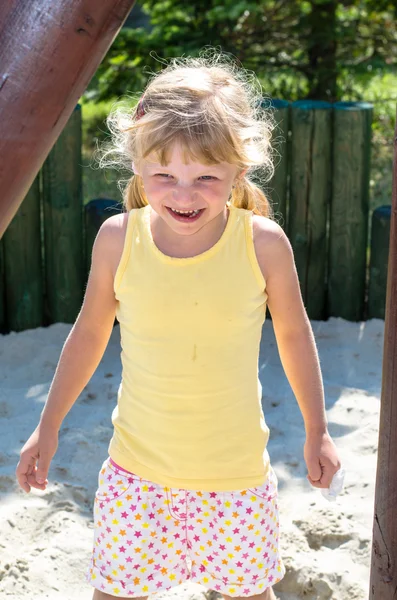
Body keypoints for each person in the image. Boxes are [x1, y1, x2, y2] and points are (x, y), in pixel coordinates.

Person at [16, 49, 341, 600]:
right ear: (138, 166)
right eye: (164, 174)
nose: (183, 194)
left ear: (239, 169)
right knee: (115, 592)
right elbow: (90, 335)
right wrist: (46, 428)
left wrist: (317, 428)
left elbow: (292, 335)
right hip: (136, 476)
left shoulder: (262, 243)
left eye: (206, 176)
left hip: (235, 478)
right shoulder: (118, 239)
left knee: (249, 593)